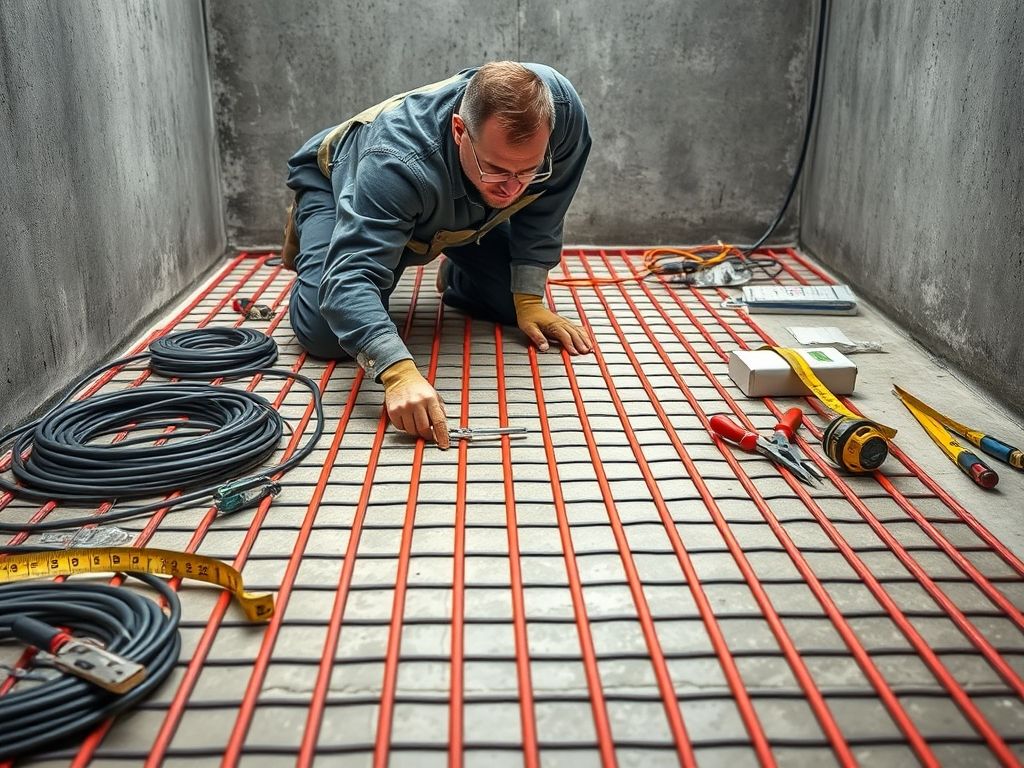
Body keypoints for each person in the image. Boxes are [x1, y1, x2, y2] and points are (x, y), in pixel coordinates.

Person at [281, 61, 592, 450]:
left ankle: (454, 257)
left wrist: (528, 298)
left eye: (528, 170)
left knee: (510, 302)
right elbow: (352, 278)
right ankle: (320, 234)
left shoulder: (563, 115)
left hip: (456, 201)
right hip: (338, 179)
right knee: (326, 334)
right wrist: (396, 370)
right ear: (460, 130)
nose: (513, 189)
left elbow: (548, 207)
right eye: (497, 168)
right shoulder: (394, 159)